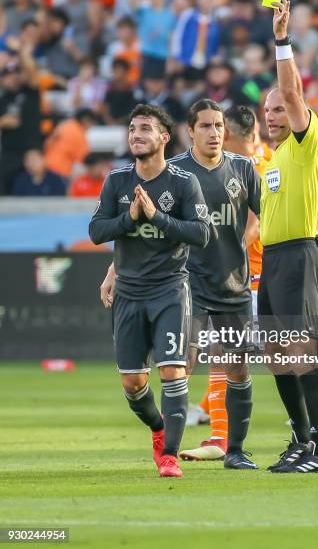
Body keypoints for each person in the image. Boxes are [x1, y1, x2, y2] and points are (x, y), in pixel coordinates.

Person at [89, 104, 209, 478]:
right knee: (133, 382)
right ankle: (159, 428)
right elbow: (96, 231)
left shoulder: (183, 183)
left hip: (170, 289)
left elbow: (202, 233)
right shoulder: (117, 181)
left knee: (173, 371)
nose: (136, 135)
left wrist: (158, 217)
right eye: (132, 129)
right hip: (129, 292)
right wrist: (132, 219)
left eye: (144, 129)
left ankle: (170, 455)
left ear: (163, 137)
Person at [258, 0, 318, 473]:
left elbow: (292, 94)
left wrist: (282, 40)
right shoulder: (273, 161)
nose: (273, 115)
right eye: (268, 110)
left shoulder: (307, 144)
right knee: (276, 354)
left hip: (299, 255)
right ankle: (303, 442)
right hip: (272, 259)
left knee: (299, 350)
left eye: (280, 110)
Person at [179, 104, 264, 460]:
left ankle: (233, 447)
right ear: (191, 130)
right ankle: (174, 448)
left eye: (218, 126)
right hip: (191, 284)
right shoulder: (176, 172)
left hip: (242, 282)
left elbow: (265, 217)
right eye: (207, 126)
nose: (215, 133)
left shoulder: (248, 167)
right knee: (184, 361)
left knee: (243, 362)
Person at [0, 55, 41, 195]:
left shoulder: (30, 92)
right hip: (9, 151)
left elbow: (32, 71)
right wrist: (2, 122)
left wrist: (23, 51)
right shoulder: (2, 99)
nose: (12, 77)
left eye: (15, 73)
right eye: (7, 75)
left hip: (31, 149)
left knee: (36, 180)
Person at [44, 108, 97, 179]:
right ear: (85, 120)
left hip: (46, 165)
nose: (90, 127)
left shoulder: (64, 125)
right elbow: (85, 157)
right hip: (60, 170)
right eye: (91, 123)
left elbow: (47, 144)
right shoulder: (79, 133)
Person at [102, 58, 137, 126]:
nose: (116, 72)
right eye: (114, 70)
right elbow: (105, 107)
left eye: (119, 70)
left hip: (128, 123)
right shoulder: (110, 89)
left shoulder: (132, 89)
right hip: (110, 123)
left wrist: (121, 121)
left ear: (126, 72)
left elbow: (134, 110)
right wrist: (109, 120)